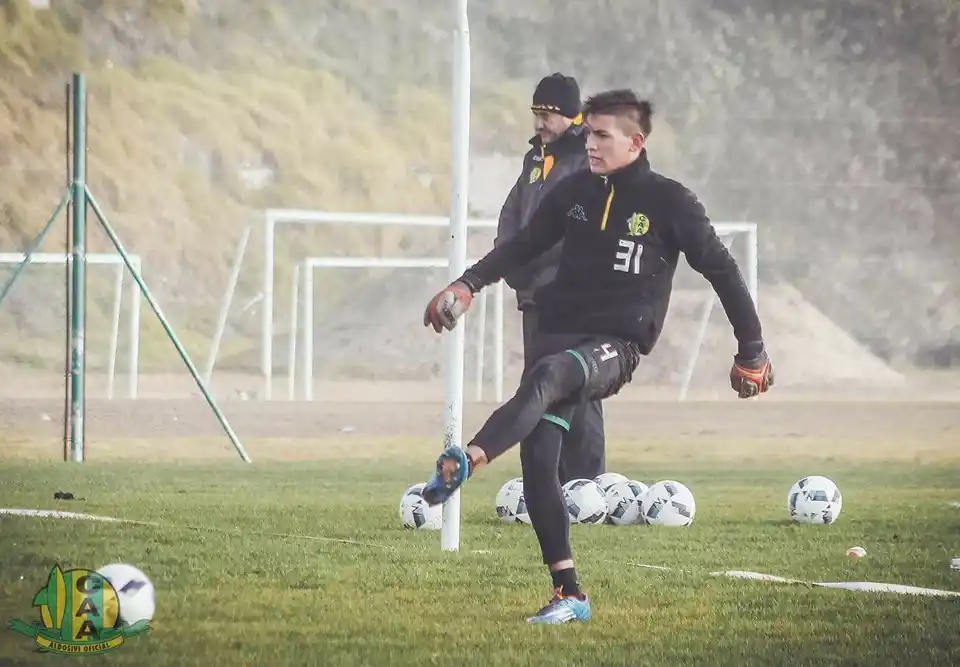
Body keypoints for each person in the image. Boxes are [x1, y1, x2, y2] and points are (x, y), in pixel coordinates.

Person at [420, 89, 774, 625]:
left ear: (636, 142)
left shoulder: (670, 202)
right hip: (558, 330)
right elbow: (523, 246)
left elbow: (722, 272)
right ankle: (570, 593)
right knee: (539, 457)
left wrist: (752, 350)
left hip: (615, 345)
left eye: (603, 135)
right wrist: (468, 285)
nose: (591, 143)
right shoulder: (574, 192)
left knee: (547, 375)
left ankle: (468, 458)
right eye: (589, 133)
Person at [495, 72, 605, 484]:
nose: (540, 123)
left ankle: (589, 484)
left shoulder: (588, 158)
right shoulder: (536, 158)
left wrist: (543, 265)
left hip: (574, 296)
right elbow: (513, 213)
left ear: (573, 116)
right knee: (539, 387)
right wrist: (512, 263)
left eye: (548, 115)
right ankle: (549, 481)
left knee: (578, 386)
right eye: (536, 114)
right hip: (536, 297)